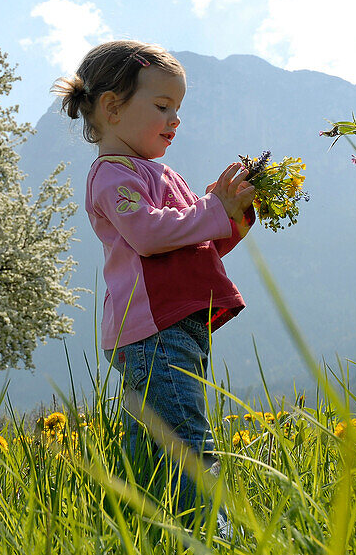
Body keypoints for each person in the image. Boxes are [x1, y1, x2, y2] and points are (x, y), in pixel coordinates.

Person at [53, 40, 255, 527]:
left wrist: (234, 215)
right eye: (163, 106)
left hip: (174, 327)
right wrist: (211, 211)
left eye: (177, 109)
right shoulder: (112, 176)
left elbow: (191, 247)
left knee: (151, 446)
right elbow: (147, 234)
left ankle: (143, 527)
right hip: (153, 332)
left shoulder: (159, 173)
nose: (174, 120)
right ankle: (215, 534)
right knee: (188, 442)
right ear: (112, 107)